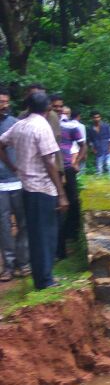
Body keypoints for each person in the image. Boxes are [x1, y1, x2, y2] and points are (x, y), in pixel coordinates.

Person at [0, 92, 65, 290]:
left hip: (26, 187)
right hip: (42, 189)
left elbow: (1, 143)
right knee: (46, 236)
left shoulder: (19, 124)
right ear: (47, 109)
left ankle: (42, 279)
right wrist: (61, 193)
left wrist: (12, 166)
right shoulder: (42, 126)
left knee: (36, 235)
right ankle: (45, 280)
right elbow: (48, 160)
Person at [0, 88, 28, 282]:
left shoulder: (16, 124)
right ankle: (8, 266)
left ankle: (23, 262)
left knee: (23, 223)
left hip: (18, 181)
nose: (4, 105)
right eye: (1, 101)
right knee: (3, 226)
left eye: (6, 102)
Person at [57, 106, 86, 258]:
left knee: (72, 202)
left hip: (68, 169)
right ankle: (59, 247)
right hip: (53, 170)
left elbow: (83, 146)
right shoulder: (47, 125)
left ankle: (71, 236)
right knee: (58, 206)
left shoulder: (73, 127)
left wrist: (76, 163)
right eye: (61, 112)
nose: (63, 115)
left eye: (66, 112)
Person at [88, 110, 110, 175]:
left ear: (100, 117)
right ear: (92, 118)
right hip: (98, 151)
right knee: (99, 170)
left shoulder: (106, 126)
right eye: (95, 117)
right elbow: (91, 140)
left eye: (98, 117)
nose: (97, 119)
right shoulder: (91, 129)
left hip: (107, 150)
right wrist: (93, 149)